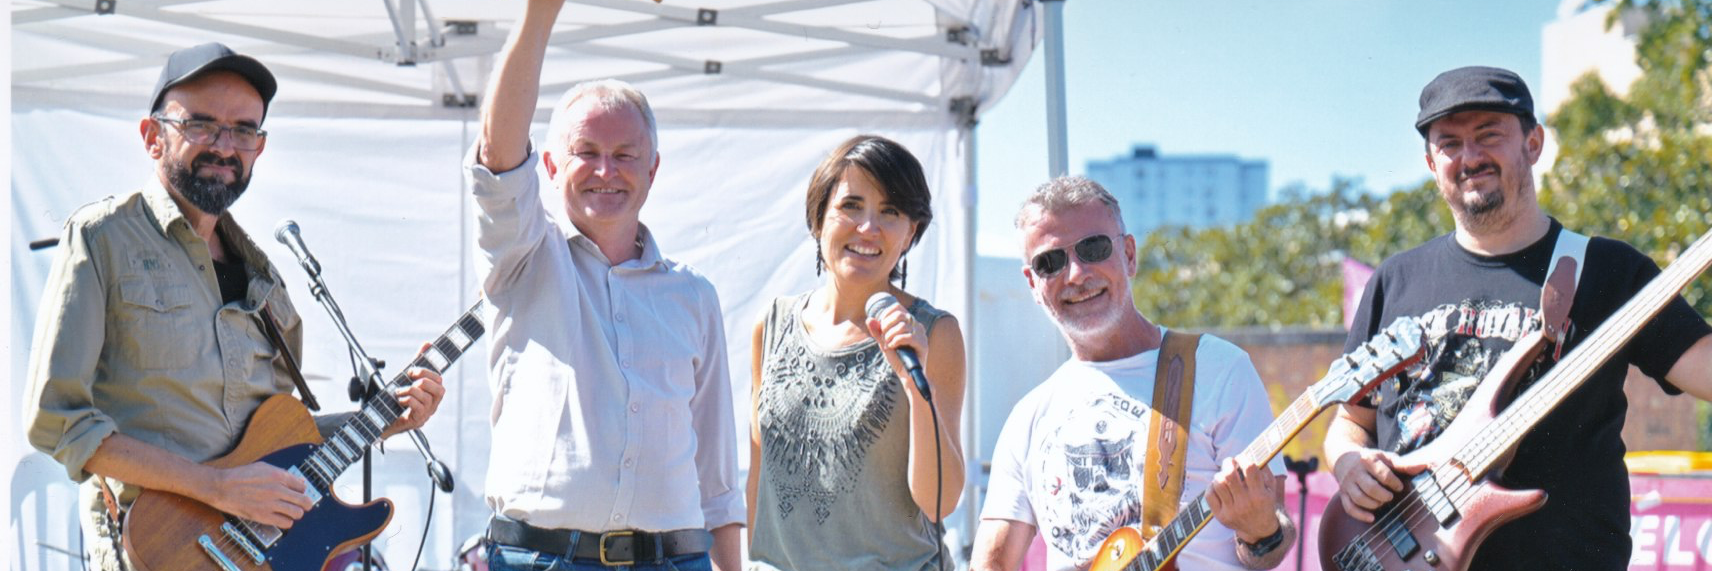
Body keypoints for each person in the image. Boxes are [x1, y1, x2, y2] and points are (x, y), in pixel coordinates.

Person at [23, 42, 445, 570]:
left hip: (260, 552)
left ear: (259, 148)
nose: (225, 146)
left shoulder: (265, 277)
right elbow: (57, 421)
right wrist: (216, 487)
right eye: (201, 125)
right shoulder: (102, 238)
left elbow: (280, 438)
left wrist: (381, 420)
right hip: (153, 548)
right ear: (153, 137)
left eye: (244, 130)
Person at [1323, 65, 1712, 570]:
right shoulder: (1395, 279)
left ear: (1533, 143)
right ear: (1429, 162)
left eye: (1489, 136)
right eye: (1450, 144)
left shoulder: (1608, 271)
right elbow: (1350, 422)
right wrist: (1349, 462)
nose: (1470, 157)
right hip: (1400, 553)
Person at [466, 1, 741, 569]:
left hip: (676, 557)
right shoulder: (522, 260)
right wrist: (541, 13)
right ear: (548, 166)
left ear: (653, 169)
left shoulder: (693, 296)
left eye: (624, 155)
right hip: (541, 557)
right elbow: (496, 158)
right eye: (585, 153)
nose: (605, 171)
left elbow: (717, 476)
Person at [971, 176, 1296, 571]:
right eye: (1050, 262)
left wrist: (1261, 531)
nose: (1075, 274)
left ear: (1128, 255)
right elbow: (991, 563)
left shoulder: (1217, 369)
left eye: (1093, 248)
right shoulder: (1029, 415)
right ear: (1032, 284)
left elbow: (1272, 543)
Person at [745, 135, 968, 570]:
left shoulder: (934, 333)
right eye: (851, 206)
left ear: (911, 233)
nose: (869, 227)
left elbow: (941, 500)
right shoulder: (770, 325)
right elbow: (759, 479)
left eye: (891, 211)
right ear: (818, 218)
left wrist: (911, 382)